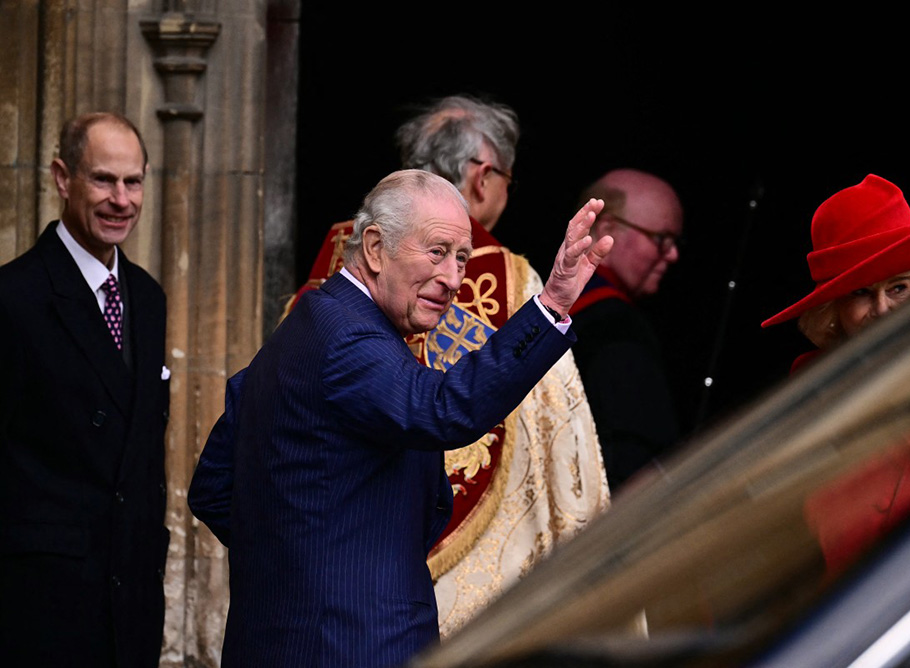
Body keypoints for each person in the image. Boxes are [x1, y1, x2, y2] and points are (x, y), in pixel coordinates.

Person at [188, 169, 613, 667]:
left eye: (461, 259)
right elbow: (444, 408)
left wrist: (293, 570)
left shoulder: (306, 328)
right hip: (353, 646)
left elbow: (213, 487)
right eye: (437, 252)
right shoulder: (348, 338)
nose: (454, 279)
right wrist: (552, 305)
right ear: (373, 247)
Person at [282, 94, 609, 635]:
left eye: (457, 259)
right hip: (424, 611)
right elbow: (560, 450)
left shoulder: (333, 269)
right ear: (482, 178)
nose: (453, 279)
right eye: (507, 179)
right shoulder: (517, 282)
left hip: (327, 597)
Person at [760, 173, 910, 577]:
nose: (884, 309)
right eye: (861, 293)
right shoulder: (810, 411)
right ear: (831, 314)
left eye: (899, 288)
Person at [0, 112, 169, 667]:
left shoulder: (146, 298)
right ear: (61, 178)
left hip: (131, 607)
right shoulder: (15, 298)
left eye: (133, 181)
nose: (121, 199)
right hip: (41, 611)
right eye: (103, 179)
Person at [569, 168, 684, 491]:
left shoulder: (532, 296)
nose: (673, 254)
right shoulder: (617, 327)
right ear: (607, 230)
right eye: (662, 239)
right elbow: (638, 462)